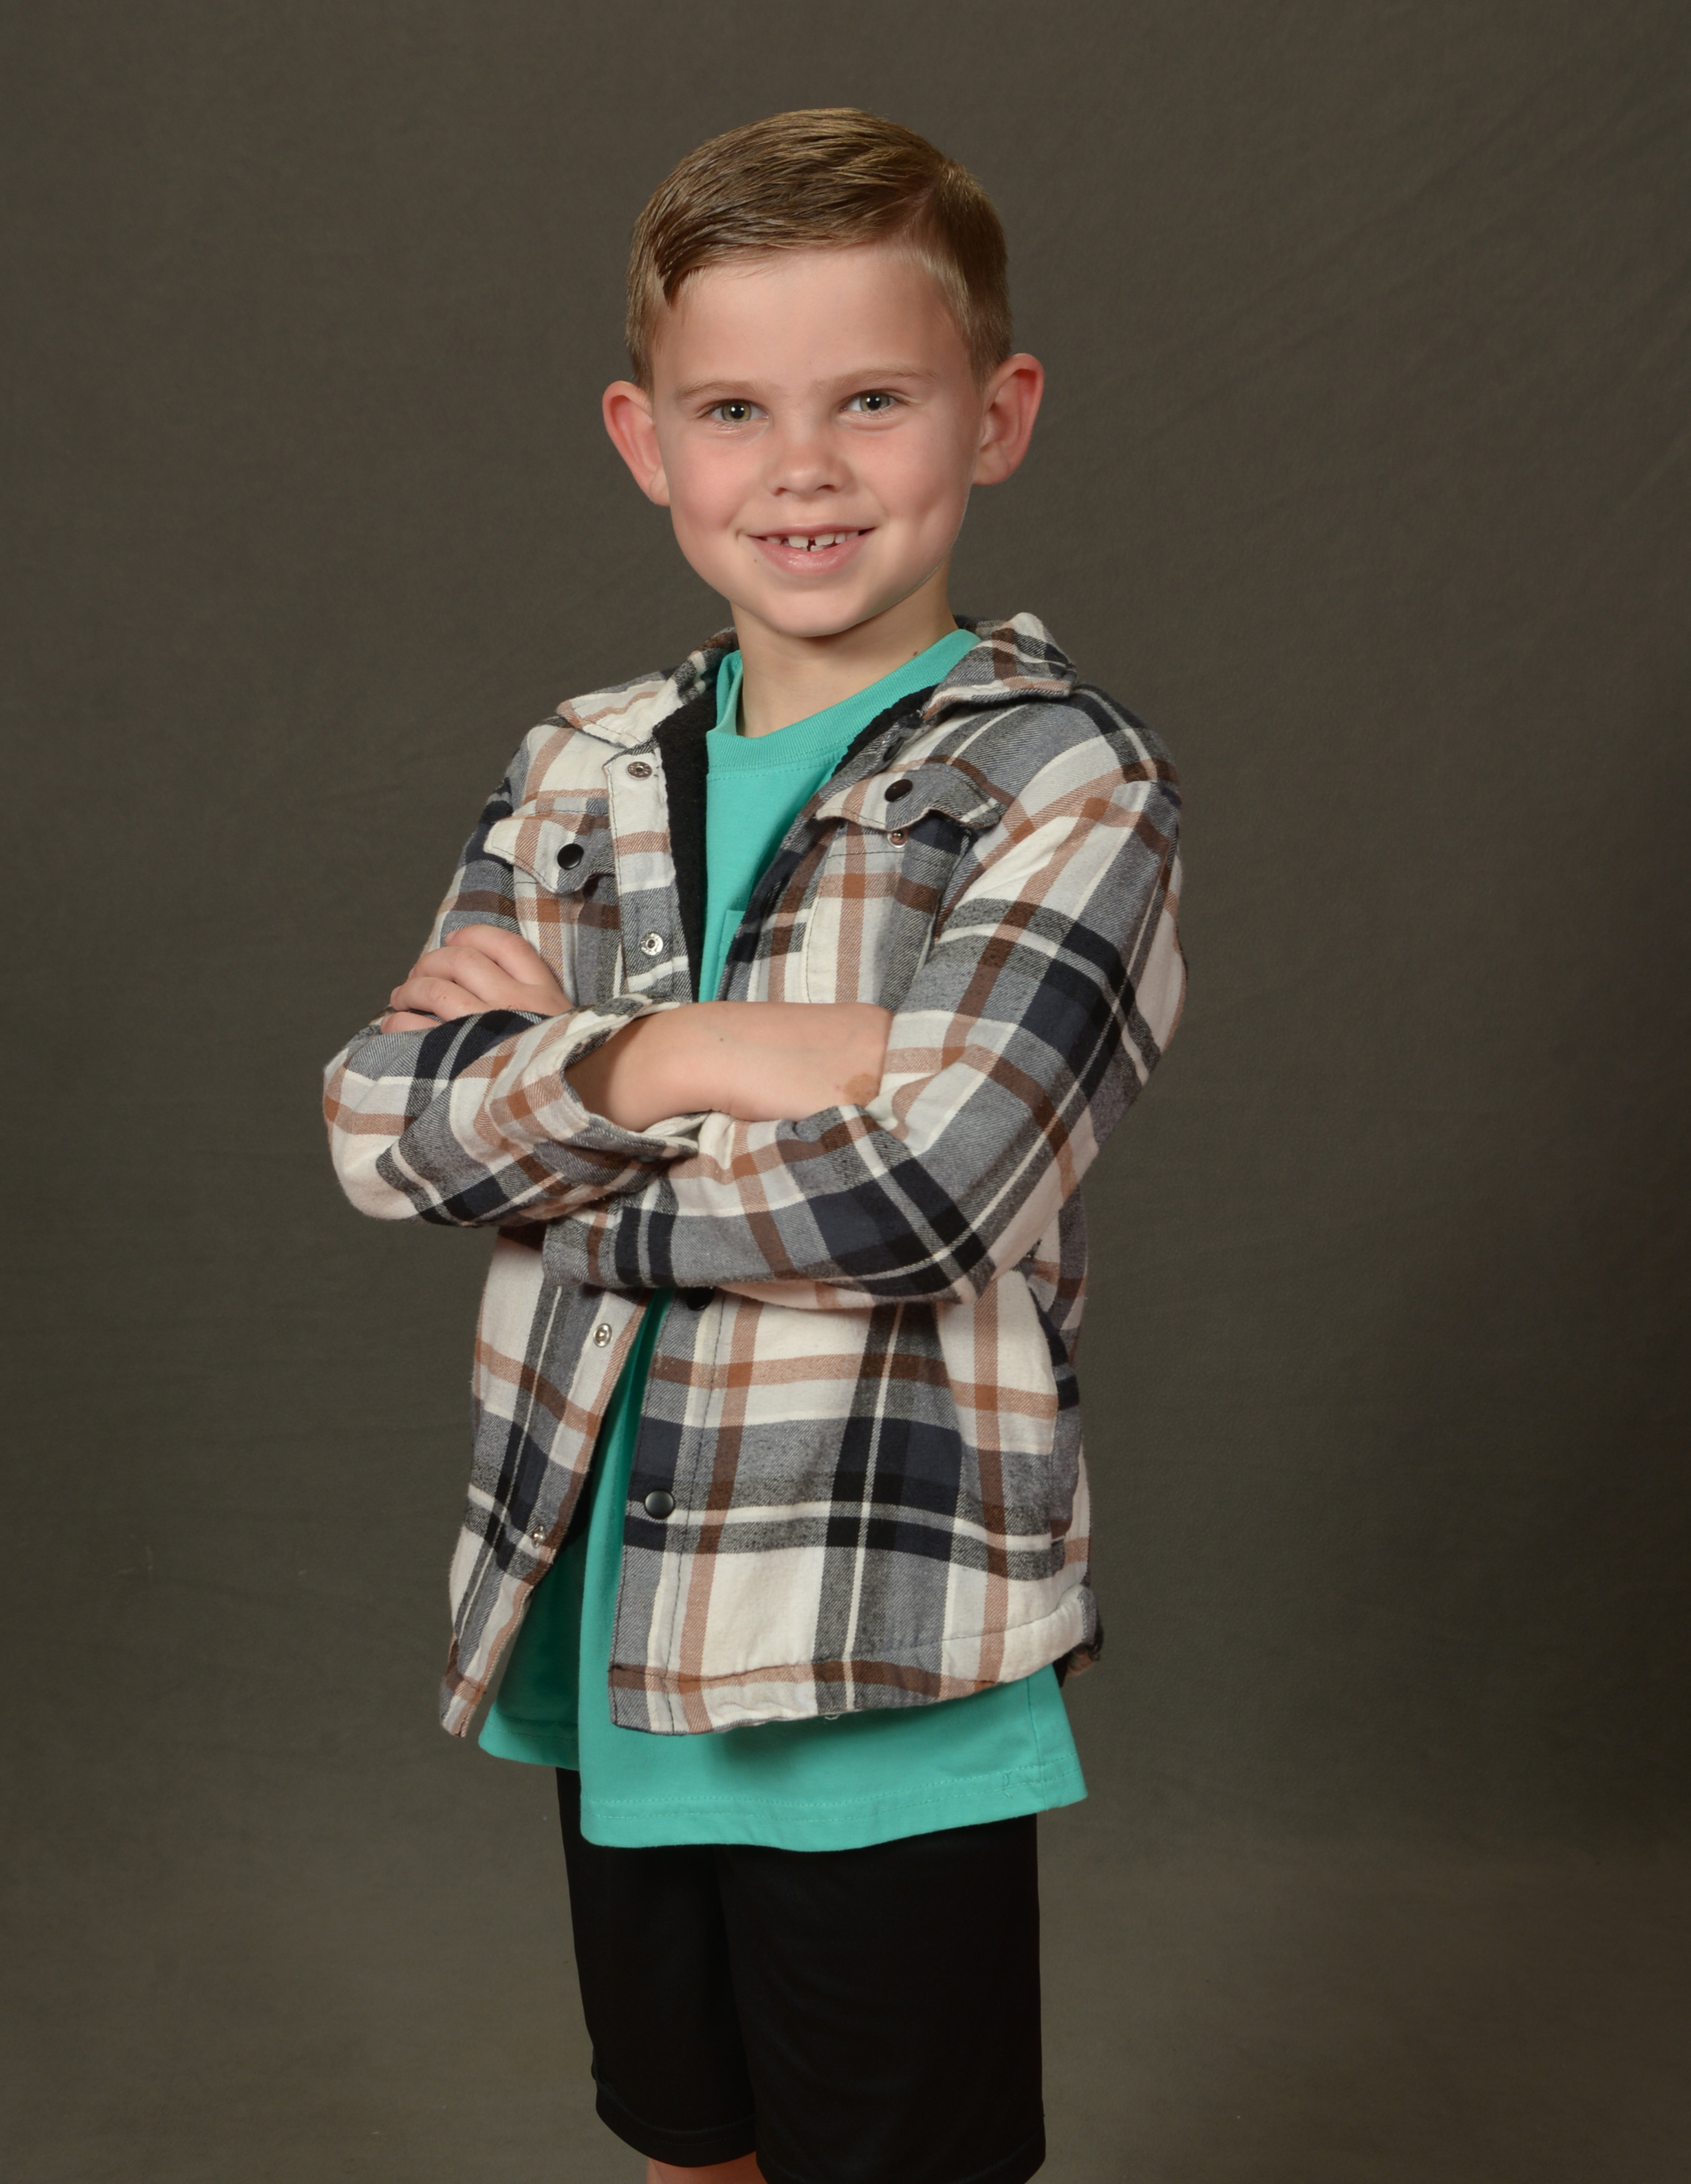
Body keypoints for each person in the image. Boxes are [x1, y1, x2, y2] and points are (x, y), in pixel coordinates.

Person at [324, 107, 1185, 2184]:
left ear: (998, 414)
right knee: (688, 2143)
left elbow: (932, 1187)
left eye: (872, 399)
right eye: (736, 410)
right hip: (598, 1615)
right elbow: (378, 1123)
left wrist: (554, 1113)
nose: (802, 466)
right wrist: (696, 1050)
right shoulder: (581, 763)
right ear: (647, 440)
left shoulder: (1064, 783)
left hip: (869, 1636)